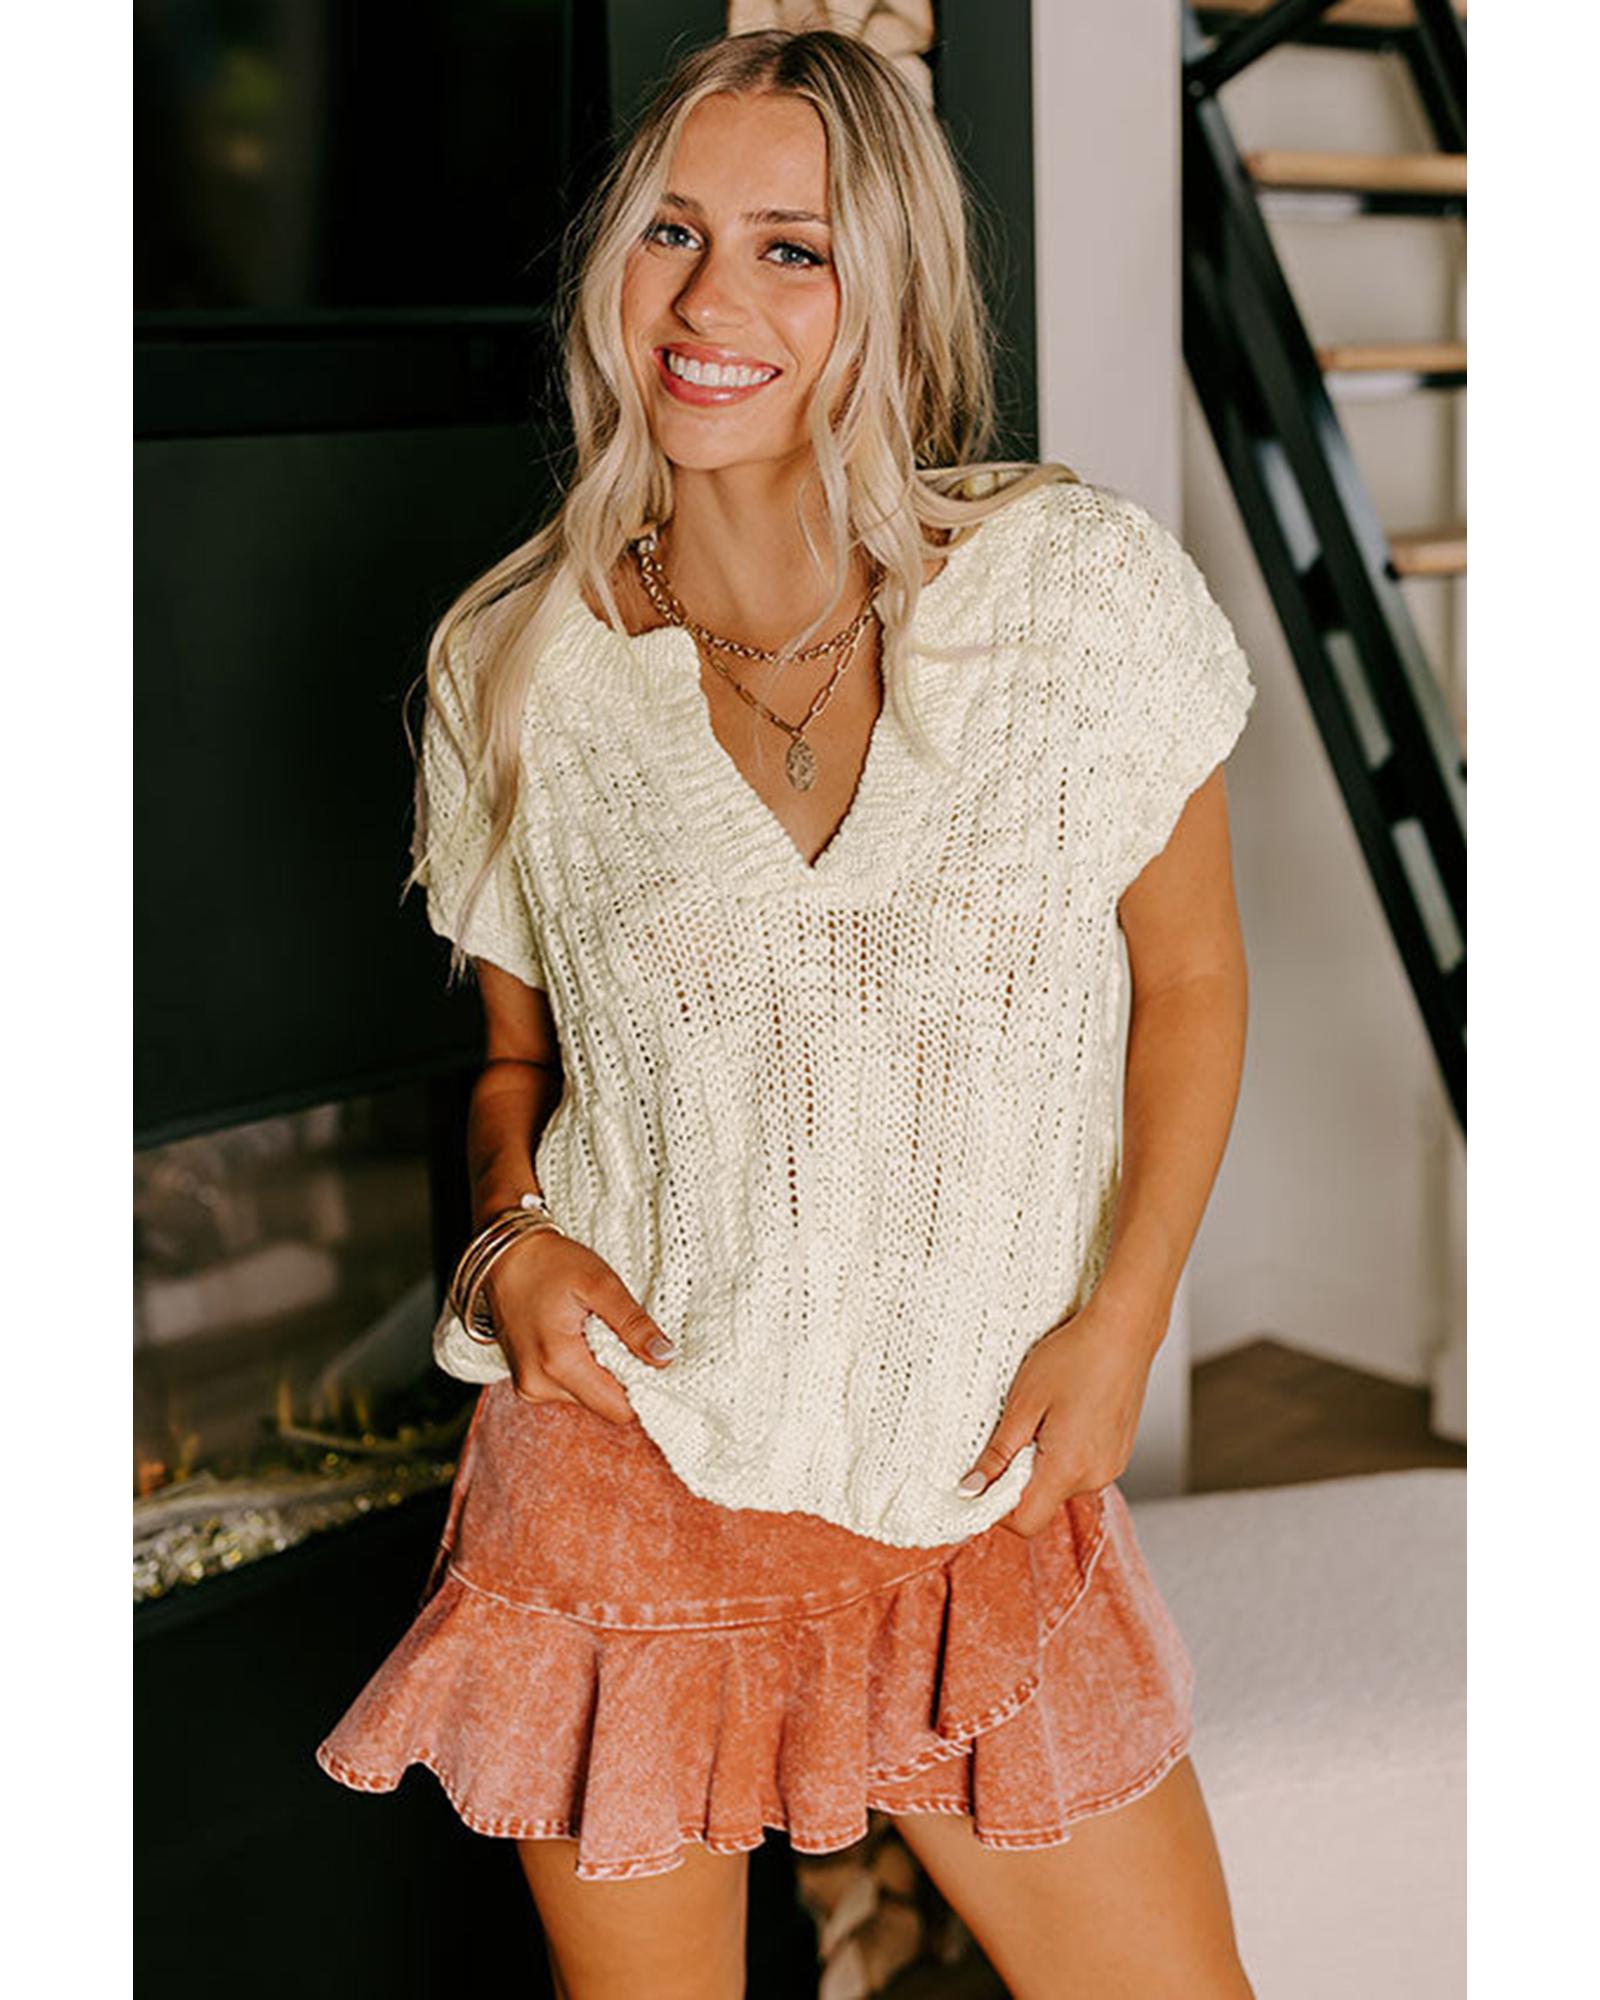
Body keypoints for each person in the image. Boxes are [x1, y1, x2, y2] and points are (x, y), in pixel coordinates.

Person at [317, 27, 1259, 2000]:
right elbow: (514, 1062)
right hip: (622, 1489)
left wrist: (1123, 1323)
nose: (706, 302)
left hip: (977, 1488)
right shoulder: (518, 669)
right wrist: (507, 1245)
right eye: (670, 232)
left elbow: (1186, 982)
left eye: (790, 250)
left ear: (889, 293)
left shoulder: (1073, 599)